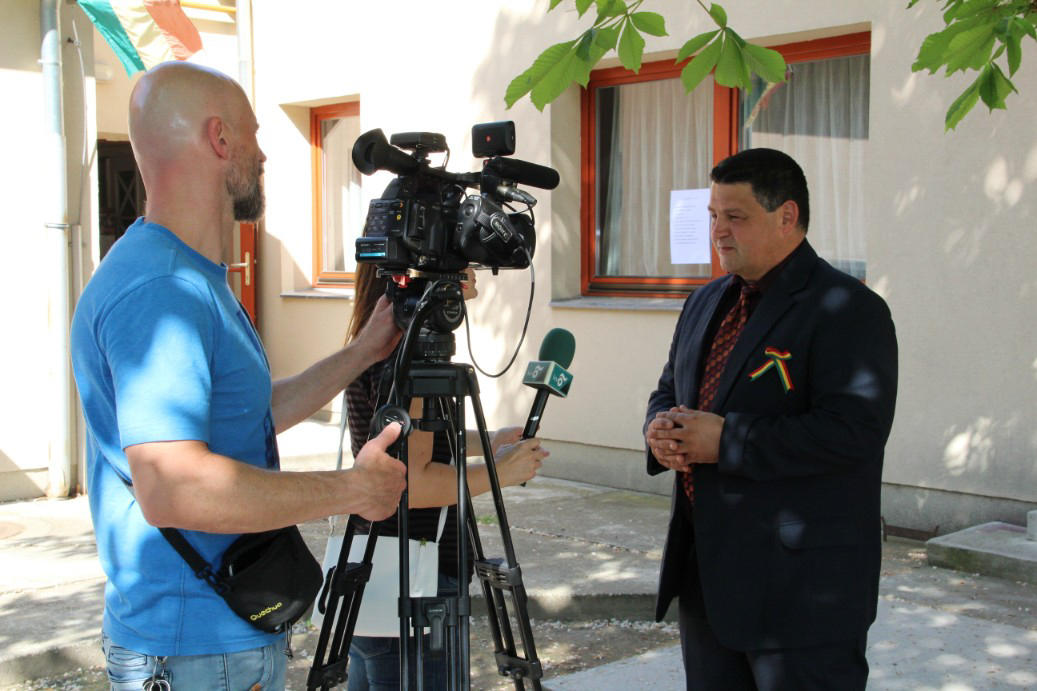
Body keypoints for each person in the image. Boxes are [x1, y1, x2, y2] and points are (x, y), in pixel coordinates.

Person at [69, 61, 407, 690]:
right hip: (194, 651)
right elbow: (175, 487)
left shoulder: (188, 273)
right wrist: (353, 490)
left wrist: (361, 353)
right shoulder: (162, 290)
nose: (264, 154)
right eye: (254, 132)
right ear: (220, 139)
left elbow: (243, 417)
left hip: (216, 643)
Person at [644, 148, 898, 690]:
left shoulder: (849, 309)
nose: (718, 230)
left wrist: (727, 440)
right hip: (708, 578)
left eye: (735, 216)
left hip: (802, 591)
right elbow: (670, 389)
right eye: (713, 214)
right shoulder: (704, 302)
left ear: (787, 216)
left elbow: (854, 431)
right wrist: (660, 430)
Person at [342, 263, 550, 690]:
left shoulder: (378, 347)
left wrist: (490, 441)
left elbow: (415, 441)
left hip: (373, 569)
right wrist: (500, 472)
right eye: (457, 251)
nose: (472, 265)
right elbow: (413, 484)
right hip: (417, 580)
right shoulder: (411, 357)